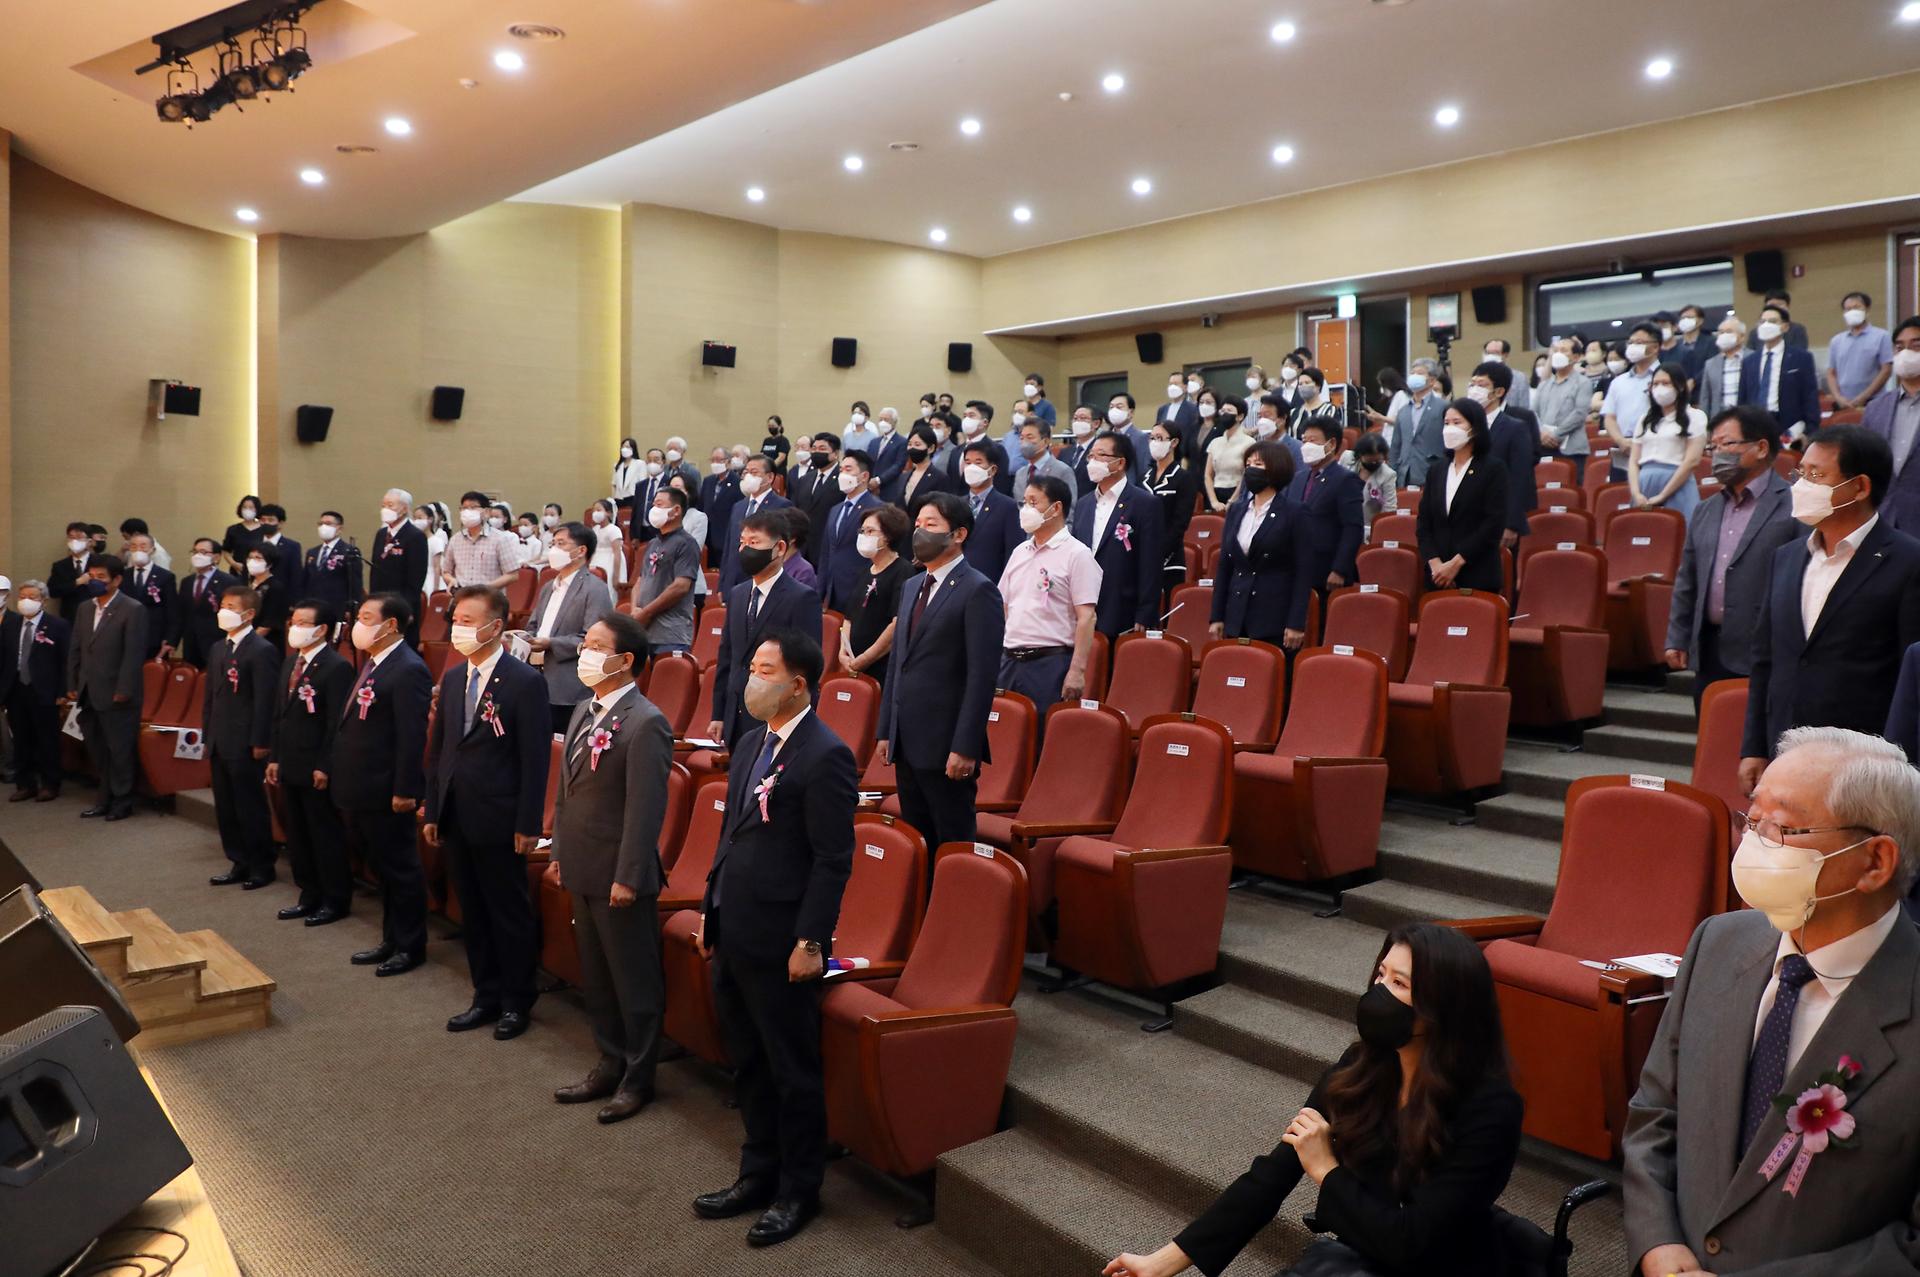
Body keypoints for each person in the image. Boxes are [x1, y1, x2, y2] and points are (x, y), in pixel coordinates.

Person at [1625, 727, 1920, 1276]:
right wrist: (1658, 1245)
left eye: (1781, 828)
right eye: (1751, 819)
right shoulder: (1718, 942)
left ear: (1875, 862)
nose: (1751, 846)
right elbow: (1655, 1111)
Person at [1106, 924, 1522, 1277]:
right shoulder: (1362, 1067)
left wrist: (1327, 1170)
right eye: (1380, 975)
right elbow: (1272, 1176)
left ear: (1444, 1009)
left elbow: (1410, 1241)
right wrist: (1162, 1263)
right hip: (1366, 1251)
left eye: (1400, 983)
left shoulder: (1490, 1110)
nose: (1379, 992)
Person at [692, 629, 854, 1248]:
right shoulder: (752, 741)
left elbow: (833, 859)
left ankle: (798, 1189)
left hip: (782, 935)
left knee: (791, 1070)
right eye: (750, 666)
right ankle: (756, 1173)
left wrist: (812, 940)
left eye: (763, 669)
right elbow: (732, 833)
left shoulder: (825, 754)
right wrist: (711, 902)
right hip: (734, 921)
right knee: (748, 1062)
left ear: (797, 684)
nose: (748, 678)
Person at [1739, 425, 1920, 792]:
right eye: (1800, 473)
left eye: (1816, 475)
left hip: (1865, 764)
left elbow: (1911, 673)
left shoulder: (1909, 561)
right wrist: (1754, 746)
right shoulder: (1785, 558)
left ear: (1860, 487)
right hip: (1785, 752)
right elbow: (1765, 662)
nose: (1802, 485)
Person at [550, 613, 676, 1122]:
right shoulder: (583, 708)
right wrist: (559, 852)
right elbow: (565, 793)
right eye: (585, 644)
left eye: (596, 646)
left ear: (625, 660)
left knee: (633, 981)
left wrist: (627, 874)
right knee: (597, 977)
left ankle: (638, 1078)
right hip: (581, 862)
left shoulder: (647, 721)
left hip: (620, 873)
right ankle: (608, 1061)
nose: (585, 653)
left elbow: (645, 810)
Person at [424, 586, 552, 1041]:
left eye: (467, 620)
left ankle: (518, 1000)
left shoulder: (524, 680)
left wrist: (528, 823)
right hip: (458, 810)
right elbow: (442, 747)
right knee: (472, 910)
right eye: (455, 618)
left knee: (507, 911)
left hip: (500, 815)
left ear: (495, 627)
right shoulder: (456, 676)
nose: (458, 627)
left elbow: (535, 759)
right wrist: (434, 806)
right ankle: (485, 994)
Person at [876, 492, 1004, 851]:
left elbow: (981, 678)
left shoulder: (979, 590)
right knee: (916, 843)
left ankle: (956, 906)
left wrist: (965, 746)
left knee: (952, 842)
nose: (920, 532)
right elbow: (898, 663)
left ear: (958, 534)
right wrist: (887, 729)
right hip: (907, 740)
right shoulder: (912, 585)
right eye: (917, 524)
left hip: (946, 743)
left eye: (931, 525)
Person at [1663, 407, 1800, 708]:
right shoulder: (1705, 509)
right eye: (1713, 447)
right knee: (1713, 743)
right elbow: (1688, 579)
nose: (1717, 453)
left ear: (1761, 447)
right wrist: (1677, 635)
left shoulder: (1795, 505)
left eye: (1727, 444)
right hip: (1709, 649)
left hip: (1766, 651)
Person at [335, 594, 435, 977]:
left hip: (387, 789)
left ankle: (411, 945)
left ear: (390, 624)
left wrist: (405, 790)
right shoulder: (375, 662)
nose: (357, 623)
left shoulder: (409, 668)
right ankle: (391, 937)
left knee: (401, 869)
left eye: (365, 617)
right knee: (383, 869)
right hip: (362, 785)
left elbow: (412, 736)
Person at [267, 601, 355, 924]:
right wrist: (274, 757)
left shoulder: (336, 667)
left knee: (324, 835)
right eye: (293, 620)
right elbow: (280, 715)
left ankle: (335, 899)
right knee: (298, 834)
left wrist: (325, 765)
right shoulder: (291, 662)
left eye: (303, 622)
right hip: (289, 762)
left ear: (321, 629)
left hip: (316, 766)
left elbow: (336, 724)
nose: (294, 626)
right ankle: (309, 892)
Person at [708, 510, 824, 750]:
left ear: (779, 548)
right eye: (742, 543)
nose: (745, 549)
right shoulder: (738, 594)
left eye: (754, 542)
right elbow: (727, 656)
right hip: (736, 715)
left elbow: (808, 666)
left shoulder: (802, 597)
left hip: (778, 715)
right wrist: (719, 713)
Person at [999, 475, 1100, 715]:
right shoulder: (1019, 551)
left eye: (1033, 502)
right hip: (1009, 660)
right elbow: (1003, 605)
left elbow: (1087, 618)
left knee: (1042, 737)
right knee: (1004, 739)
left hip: (1049, 662)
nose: (1025, 509)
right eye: (1023, 502)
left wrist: (1077, 671)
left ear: (1056, 508)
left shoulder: (1078, 554)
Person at [203, 585, 280, 886]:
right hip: (220, 739)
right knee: (226, 805)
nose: (224, 610)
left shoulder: (262, 650)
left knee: (250, 806)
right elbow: (210, 696)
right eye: (223, 604)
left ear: (248, 614)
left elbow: (265, 700)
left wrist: (261, 741)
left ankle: (261, 865)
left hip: (246, 741)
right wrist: (208, 735)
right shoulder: (218, 648)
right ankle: (238, 860)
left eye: (231, 606)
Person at [1210, 441, 1312, 649]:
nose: (1250, 470)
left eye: (1258, 464)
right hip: (1236, 614)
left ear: (1275, 469)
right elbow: (1225, 566)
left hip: (1273, 617)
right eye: (1248, 464)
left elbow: (1304, 572)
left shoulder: (1295, 512)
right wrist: (1216, 616)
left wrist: (1296, 623)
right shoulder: (1236, 510)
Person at [67, 555, 146, 821]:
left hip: (118, 693)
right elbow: (76, 648)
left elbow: (133, 655)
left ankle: (123, 801)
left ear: (117, 580)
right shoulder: (84, 608)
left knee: (120, 750)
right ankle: (104, 799)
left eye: (102, 577)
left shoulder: (132, 609)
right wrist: (73, 683)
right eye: (92, 576)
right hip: (89, 690)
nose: (95, 581)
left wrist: (124, 689)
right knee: (98, 750)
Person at [1072, 430, 1165, 638]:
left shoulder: (1145, 503)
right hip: (1085, 605)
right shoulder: (1084, 504)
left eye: (1100, 455)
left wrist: (1146, 611)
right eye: (1091, 456)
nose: (1093, 461)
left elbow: (1151, 562)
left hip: (1123, 605)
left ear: (1120, 463)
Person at [1415, 399, 1510, 594]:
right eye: (1446, 423)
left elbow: (1492, 524)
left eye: (1457, 423)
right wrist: (1436, 566)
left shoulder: (1493, 469)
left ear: (1474, 428)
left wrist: (1455, 564)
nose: (1450, 429)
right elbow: (1424, 523)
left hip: (1477, 574)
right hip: (1437, 578)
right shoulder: (1437, 470)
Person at [528, 521, 611, 737]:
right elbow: (534, 625)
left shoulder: (595, 588)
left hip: (569, 685)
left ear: (581, 550)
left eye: (561, 544)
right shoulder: (548, 586)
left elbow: (594, 641)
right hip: (537, 679)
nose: (554, 549)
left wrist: (551, 643)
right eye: (553, 543)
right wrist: (523, 637)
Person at [2, 582, 68, 802]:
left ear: (43, 600)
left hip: (45, 690)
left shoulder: (57, 625)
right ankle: (25, 784)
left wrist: (63, 691)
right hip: (16, 689)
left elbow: (65, 661)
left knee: (47, 739)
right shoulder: (10, 624)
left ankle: (50, 784)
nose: (26, 600)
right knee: (21, 739)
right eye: (22, 596)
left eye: (32, 596)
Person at [1287, 417, 1365, 598]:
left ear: (1331, 444)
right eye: (1304, 441)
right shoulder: (1298, 478)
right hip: (1297, 569)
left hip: (1327, 572)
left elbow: (1352, 528)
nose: (1306, 446)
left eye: (1312, 441)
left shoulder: (1345, 479)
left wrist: (1340, 569)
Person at [839, 505, 915, 685]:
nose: (864, 536)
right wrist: (843, 652)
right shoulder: (866, 570)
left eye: (870, 531)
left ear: (888, 536)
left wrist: (865, 658)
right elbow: (849, 616)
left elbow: (896, 623)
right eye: (862, 531)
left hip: (880, 664)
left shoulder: (903, 571)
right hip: (853, 661)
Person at [1861, 313, 1920, 532]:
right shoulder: (1876, 408)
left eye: (1916, 346)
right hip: (1884, 518)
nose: (1906, 353)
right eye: (1899, 347)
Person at [1628, 363, 1708, 521]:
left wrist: (1663, 495)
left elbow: (1692, 460)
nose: (1659, 388)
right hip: (1644, 482)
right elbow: (1633, 460)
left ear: (1679, 386)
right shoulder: (1645, 419)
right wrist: (1636, 492)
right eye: (1655, 384)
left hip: (1677, 482)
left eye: (1665, 383)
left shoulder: (1695, 416)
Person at [1741, 302, 1822, 441]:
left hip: (1789, 424)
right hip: (1756, 425)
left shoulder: (1801, 358)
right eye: (1763, 321)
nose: (1766, 325)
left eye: (1772, 321)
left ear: (1785, 327)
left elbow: (1810, 396)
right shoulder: (1749, 361)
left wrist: (1810, 431)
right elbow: (1743, 399)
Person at [717, 457, 792, 593]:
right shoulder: (739, 506)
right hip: (733, 582)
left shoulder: (782, 506)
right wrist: (722, 584)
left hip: (762, 580)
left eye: (754, 472)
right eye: (746, 472)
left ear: (769, 477)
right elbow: (729, 547)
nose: (748, 476)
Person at [821, 450, 883, 614]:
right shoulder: (835, 509)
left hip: (859, 588)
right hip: (832, 590)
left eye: (848, 469)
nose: (842, 474)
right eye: (841, 470)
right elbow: (826, 552)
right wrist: (821, 590)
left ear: (864, 476)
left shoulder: (877, 509)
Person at [1144, 421, 1198, 604]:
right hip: (1142, 553)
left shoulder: (1183, 478)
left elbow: (1180, 523)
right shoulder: (1144, 477)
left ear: (1174, 443)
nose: (1154, 442)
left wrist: (1158, 553)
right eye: (1152, 438)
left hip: (1169, 557)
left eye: (1159, 438)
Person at [956, 440, 1024, 587]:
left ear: (992, 470)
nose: (971, 467)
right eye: (968, 462)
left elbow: (1013, 552)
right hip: (956, 583)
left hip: (990, 583)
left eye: (978, 462)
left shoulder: (1007, 506)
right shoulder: (955, 504)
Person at [369, 488, 429, 647]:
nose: (385, 509)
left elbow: (415, 579)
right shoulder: (381, 534)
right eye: (383, 505)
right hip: (380, 605)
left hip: (402, 606)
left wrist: (404, 610)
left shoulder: (415, 536)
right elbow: (374, 571)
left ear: (404, 508)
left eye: (390, 505)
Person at [1603, 322, 1664, 479]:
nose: (1633, 347)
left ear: (1655, 347)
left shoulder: (1665, 376)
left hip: (1655, 448)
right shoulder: (1618, 381)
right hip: (1623, 448)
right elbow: (1609, 417)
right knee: (1619, 496)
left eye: (1639, 343)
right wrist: (1621, 441)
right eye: (1631, 343)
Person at [170, 538, 236, 667]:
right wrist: (173, 641)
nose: (198, 556)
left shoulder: (228, 581)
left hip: (216, 641)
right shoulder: (187, 582)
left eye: (203, 552)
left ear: (216, 557)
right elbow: (180, 614)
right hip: (190, 642)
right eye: (195, 552)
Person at [1826, 291, 1895, 412]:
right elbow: (1831, 373)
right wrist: (1838, 397)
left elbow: (1886, 370)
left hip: (1873, 401)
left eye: (1856, 307)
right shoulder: (1836, 341)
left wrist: (1864, 397)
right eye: (1848, 309)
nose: (1852, 312)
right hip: (1843, 403)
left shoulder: (1882, 336)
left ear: (1867, 310)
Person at [443, 490, 521, 592]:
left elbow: (512, 575)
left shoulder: (500, 539)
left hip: (490, 599)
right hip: (461, 598)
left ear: (487, 512)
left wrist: (486, 588)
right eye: (464, 508)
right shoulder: (455, 540)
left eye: (473, 507)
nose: (468, 511)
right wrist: (451, 580)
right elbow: (446, 572)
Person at [1388, 359, 1448, 484]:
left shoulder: (1443, 407)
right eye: (1412, 373)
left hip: (1432, 473)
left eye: (1419, 373)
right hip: (1404, 474)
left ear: (1432, 380)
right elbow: (1395, 446)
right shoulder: (1403, 411)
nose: (1414, 376)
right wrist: (1392, 472)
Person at [1532, 338, 1593, 458]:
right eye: (1556, 351)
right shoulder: (1544, 384)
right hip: (1543, 445)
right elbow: (1533, 412)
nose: (1558, 354)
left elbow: (1579, 413)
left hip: (1572, 448)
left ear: (1575, 357)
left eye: (1563, 350)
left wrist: (1555, 435)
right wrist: (1541, 434)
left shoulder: (1583, 383)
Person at [121, 531, 177, 660]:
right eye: (134, 546)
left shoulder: (165, 576)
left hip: (154, 637)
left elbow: (173, 611)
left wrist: (170, 639)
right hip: (127, 636)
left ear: (152, 550)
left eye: (143, 546)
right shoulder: (124, 575)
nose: (138, 550)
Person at [303, 511, 363, 628]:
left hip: (337, 607)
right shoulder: (312, 552)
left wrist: (351, 609)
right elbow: (305, 580)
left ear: (339, 528)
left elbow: (355, 583)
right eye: (320, 524)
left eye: (328, 523)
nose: (323, 527)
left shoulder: (349, 551)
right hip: (314, 606)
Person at [884, 421, 955, 512]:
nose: (912, 448)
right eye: (909, 444)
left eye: (917, 444)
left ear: (930, 448)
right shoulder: (903, 477)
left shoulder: (940, 478)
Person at [947, 402, 1015, 496]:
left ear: (984, 422)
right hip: (957, 506)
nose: (966, 419)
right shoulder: (955, 451)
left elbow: (1001, 484)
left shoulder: (997, 449)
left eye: (971, 416)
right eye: (965, 416)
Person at [1342, 432, 1399, 538]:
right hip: (1342, 523)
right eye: (1369, 460)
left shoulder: (1388, 475)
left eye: (1377, 461)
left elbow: (1389, 509)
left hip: (1367, 530)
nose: (1373, 463)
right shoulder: (1346, 458)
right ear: (1360, 455)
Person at [1203, 398, 1255, 511]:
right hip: (1215, 494)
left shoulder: (1249, 443)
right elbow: (1208, 475)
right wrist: (1213, 501)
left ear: (1240, 416)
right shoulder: (1215, 442)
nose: (1224, 414)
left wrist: (1232, 501)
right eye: (1222, 411)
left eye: (1229, 411)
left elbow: (1246, 475)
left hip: (1237, 494)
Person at [1696, 314, 1749, 419]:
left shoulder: (1753, 358)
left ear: (1742, 337)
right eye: (1721, 332)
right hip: (1720, 419)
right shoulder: (1710, 364)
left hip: (1747, 418)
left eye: (1729, 332)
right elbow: (1705, 398)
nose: (1724, 335)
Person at [701, 447, 743, 566]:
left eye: (719, 460)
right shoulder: (708, 481)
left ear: (728, 462)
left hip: (725, 534)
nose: (715, 463)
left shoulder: (737, 482)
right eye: (713, 460)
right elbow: (701, 505)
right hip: (707, 534)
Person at [242, 543, 290, 649]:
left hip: (266, 642)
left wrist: (247, 642)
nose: (252, 561)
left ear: (270, 563)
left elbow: (269, 623)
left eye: (258, 558)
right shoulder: (245, 583)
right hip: (245, 635)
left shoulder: (276, 587)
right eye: (250, 557)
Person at [1010, 418, 1073, 496]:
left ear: (1046, 441)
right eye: (1022, 438)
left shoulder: (1062, 471)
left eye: (1030, 438)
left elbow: (1070, 505)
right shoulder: (1020, 474)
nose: (1024, 442)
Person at [48, 522, 94, 622]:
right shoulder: (60, 566)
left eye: (79, 537)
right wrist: (77, 582)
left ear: (89, 542)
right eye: (71, 537)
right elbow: (52, 591)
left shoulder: (99, 562)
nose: (74, 541)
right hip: (70, 616)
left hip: (95, 614)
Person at [1744, 287, 1813, 352]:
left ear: (1787, 307)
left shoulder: (1797, 329)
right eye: (1772, 305)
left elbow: (1800, 353)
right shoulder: (1755, 332)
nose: (1776, 308)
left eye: (1780, 304)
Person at [256, 504, 303, 597]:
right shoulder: (253, 545)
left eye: (270, 520)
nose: (266, 523)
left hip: (283, 597)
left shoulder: (292, 546)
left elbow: (296, 577)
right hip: (257, 597)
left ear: (280, 523)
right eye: (263, 520)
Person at [1104, 392, 1156, 474]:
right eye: (1111, 407)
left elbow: (1144, 470)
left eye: (1119, 407)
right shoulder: (1104, 438)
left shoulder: (1140, 437)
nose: (1114, 410)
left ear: (1130, 412)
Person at [586, 499, 626, 604]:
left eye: (599, 510)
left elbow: (617, 553)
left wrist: (616, 577)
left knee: (608, 589)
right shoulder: (595, 529)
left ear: (608, 513)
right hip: (597, 560)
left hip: (610, 562)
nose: (595, 513)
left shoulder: (614, 530)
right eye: (594, 510)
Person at [1288, 367, 1343, 440]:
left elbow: (1333, 437)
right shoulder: (1293, 413)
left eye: (1307, 383)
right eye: (1300, 384)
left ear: (1318, 386)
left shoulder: (1329, 410)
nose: (1303, 386)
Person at [1156, 371, 1201, 456]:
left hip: (1182, 455)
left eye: (1176, 384)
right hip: (1163, 454)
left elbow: (1193, 436)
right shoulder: (1162, 409)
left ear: (1185, 387)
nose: (1172, 387)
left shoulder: (1193, 409)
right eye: (1170, 384)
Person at [1482, 337, 1531, 412]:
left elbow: (1524, 407)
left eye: (1495, 353)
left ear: (1505, 355)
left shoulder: (1519, 378)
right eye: (1488, 353)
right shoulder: (1478, 379)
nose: (1490, 356)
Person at [1060, 404, 1099, 494]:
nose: (1078, 422)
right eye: (1075, 418)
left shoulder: (1100, 451)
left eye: (1083, 418)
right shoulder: (1065, 452)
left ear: (1095, 423)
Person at [222, 495, 268, 568]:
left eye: (251, 507)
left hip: (259, 569)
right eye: (244, 507)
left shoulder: (264, 529)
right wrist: (234, 564)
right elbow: (226, 551)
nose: (247, 510)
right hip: (237, 571)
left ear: (257, 509)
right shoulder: (233, 529)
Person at [612, 437, 643, 511]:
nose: (624, 449)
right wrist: (613, 498)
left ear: (633, 449)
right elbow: (614, 484)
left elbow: (642, 483)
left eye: (627, 447)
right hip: (619, 498)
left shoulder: (640, 463)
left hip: (633, 497)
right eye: (623, 447)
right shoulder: (617, 465)